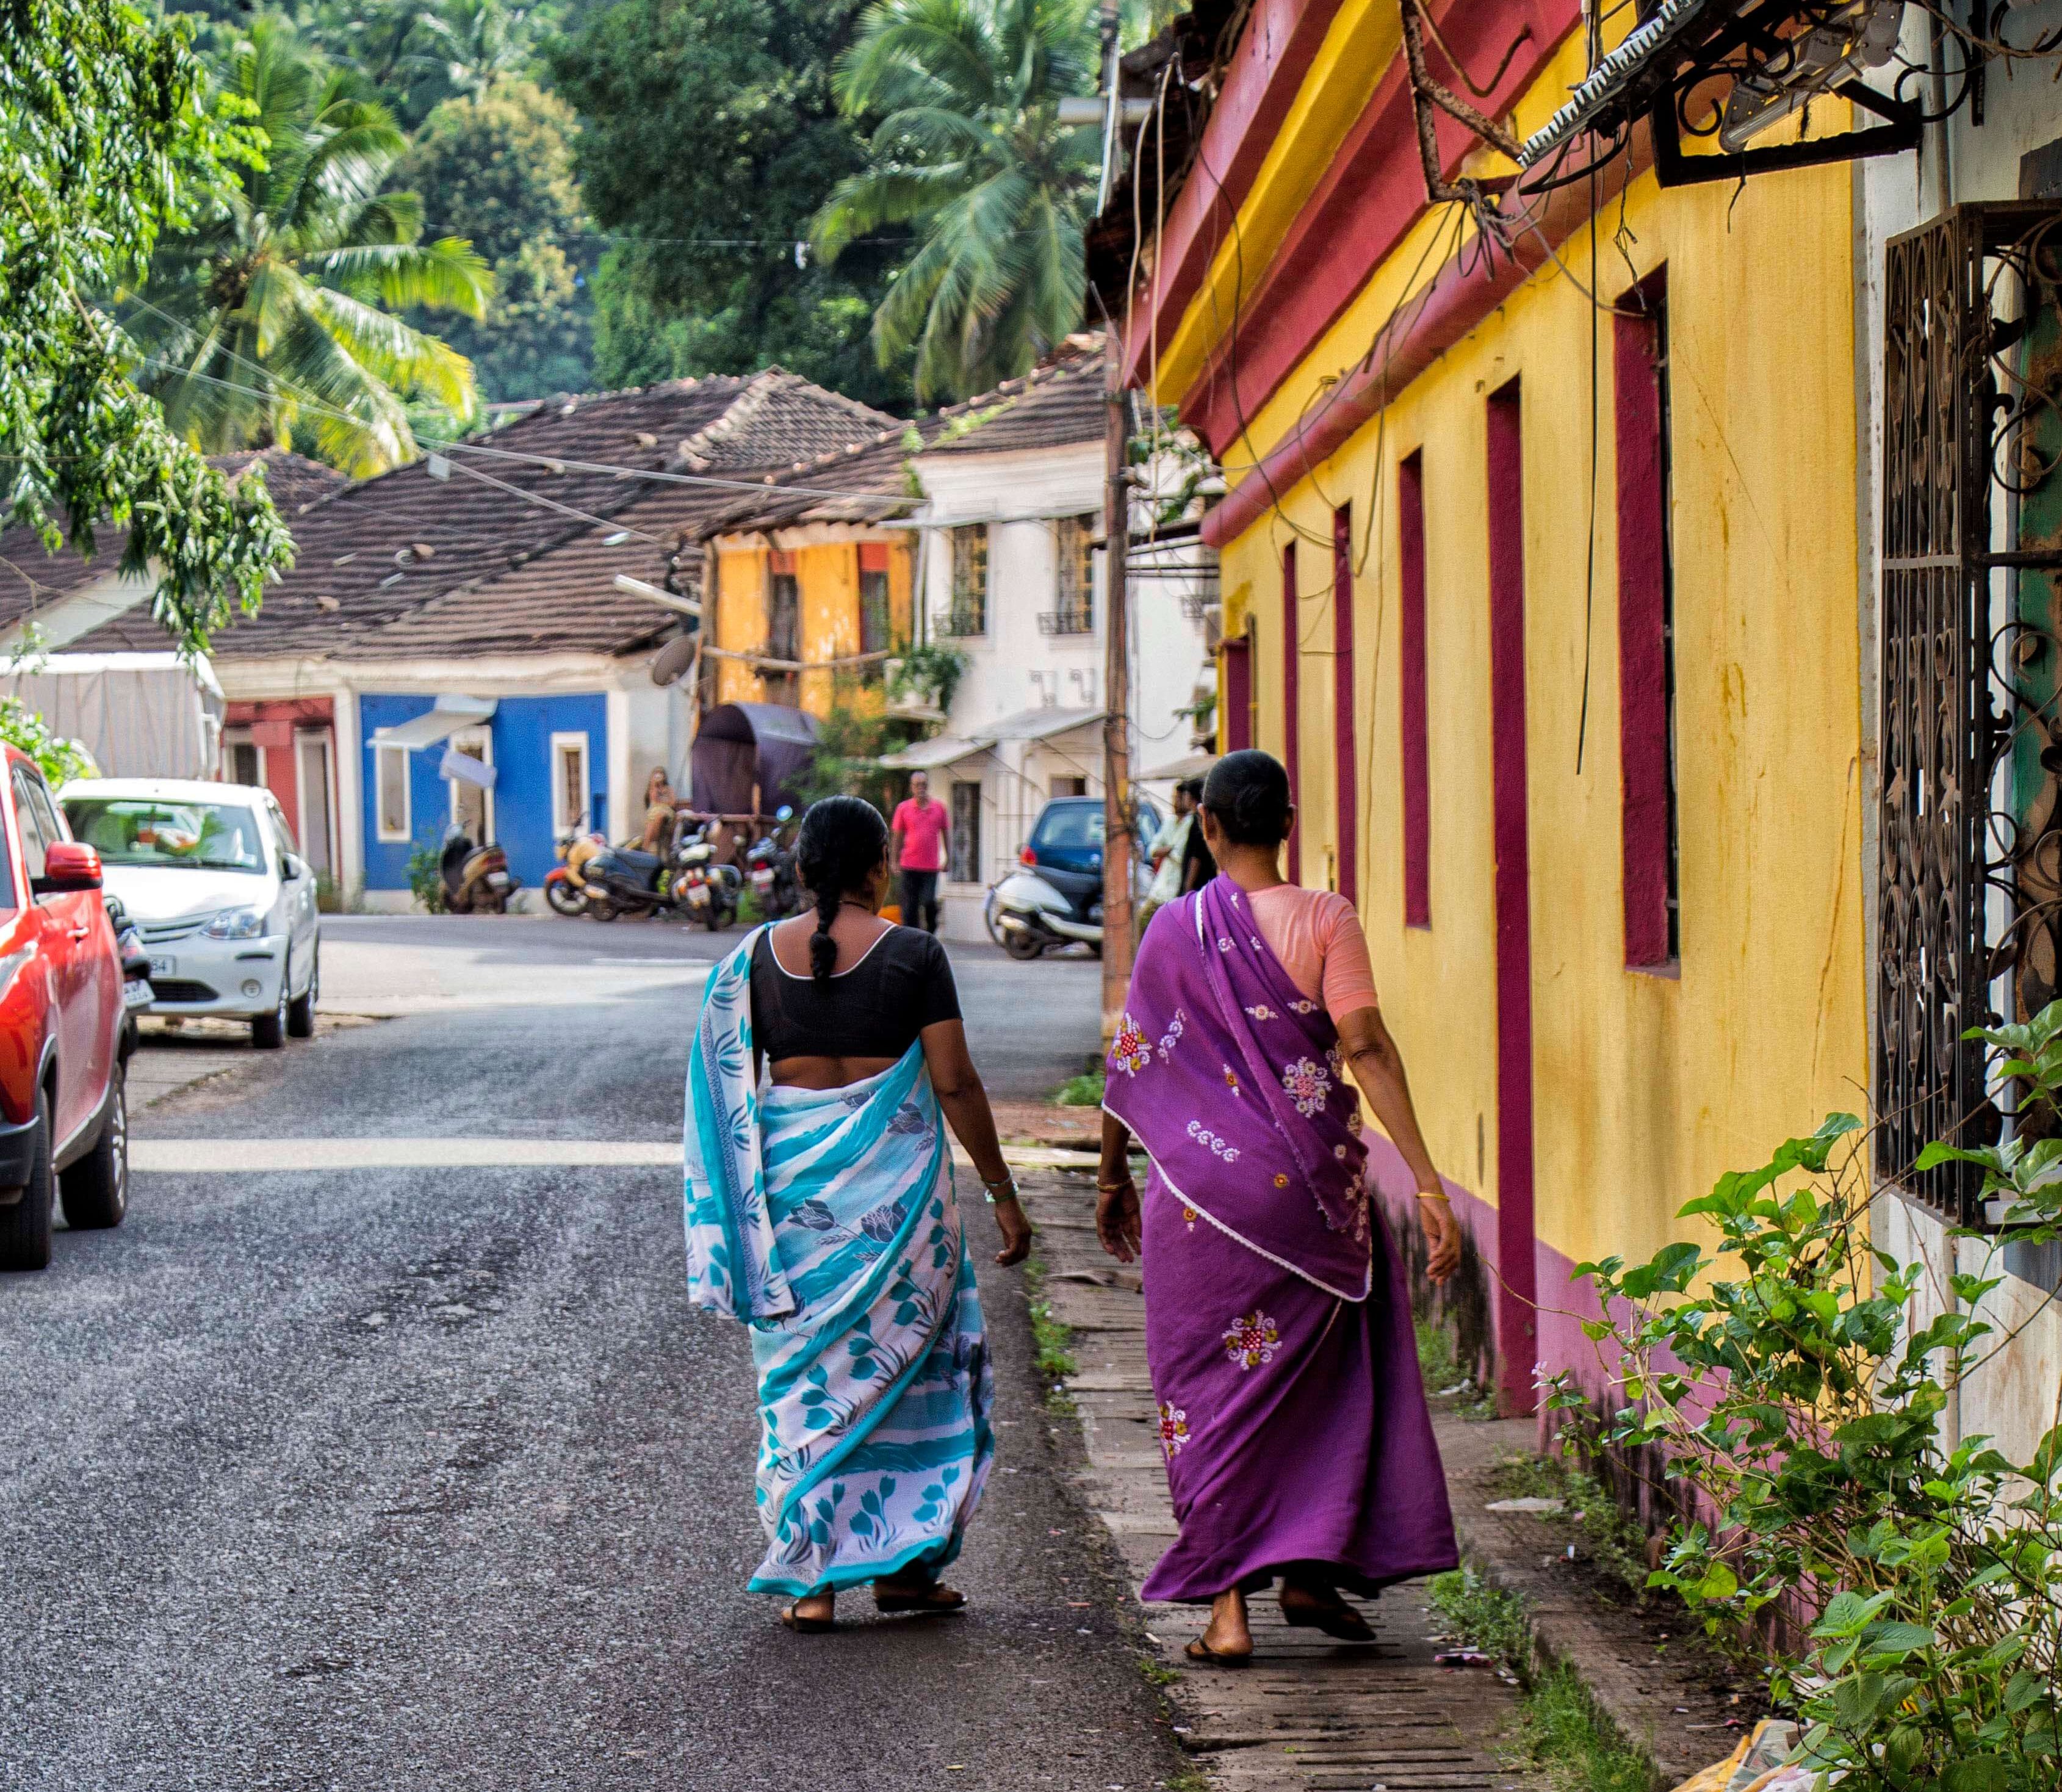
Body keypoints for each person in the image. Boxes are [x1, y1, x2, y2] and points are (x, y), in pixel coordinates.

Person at [1094, 749, 1462, 1664]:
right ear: (1286, 826)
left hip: (1196, 1204)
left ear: (1207, 829)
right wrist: (1423, 1179)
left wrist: (1110, 1179)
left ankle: (1229, 1611)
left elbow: (1131, 1064)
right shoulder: (1327, 918)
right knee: (1320, 1386)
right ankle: (1307, 1568)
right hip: (1309, 1197)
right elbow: (1365, 1047)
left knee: (1209, 1397)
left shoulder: (1173, 930)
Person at [682, 795, 1031, 1635]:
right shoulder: (915, 954)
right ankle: (906, 1569)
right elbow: (953, 1082)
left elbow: (727, 1091)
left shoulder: (753, 963)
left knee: (807, 1386)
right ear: (882, 865)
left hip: (797, 1216)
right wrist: (1001, 1193)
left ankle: (812, 1580)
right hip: (899, 1213)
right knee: (913, 1374)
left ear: (802, 869)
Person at [890, 771, 949, 933]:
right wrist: (894, 861)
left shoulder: (939, 808)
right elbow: (898, 837)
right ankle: (912, 938)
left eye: (923, 785)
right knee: (910, 906)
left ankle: (930, 933)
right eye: (917, 785)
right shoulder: (903, 808)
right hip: (909, 865)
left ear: (927, 786)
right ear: (912, 787)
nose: (921, 788)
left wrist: (948, 858)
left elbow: (945, 833)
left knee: (929, 901)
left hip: (930, 867)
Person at [1139, 781, 1197, 929]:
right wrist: (1169, 849)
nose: (1174, 802)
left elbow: (1181, 856)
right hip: (1159, 890)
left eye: (1178, 798)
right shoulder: (1169, 822)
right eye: (1173, 798)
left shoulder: (1192, 823)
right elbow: (1152, 850)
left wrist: (1167, 850)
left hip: (1177, 891)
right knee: (1143, 923)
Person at [1175, 776, 1216, 894]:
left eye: (1185, 794)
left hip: (1198, 884)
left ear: (1191, 796)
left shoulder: (1198, 820)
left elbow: (1196, 856)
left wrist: (1188, 885)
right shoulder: (1199, 818)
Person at [639, 768, 676, 854]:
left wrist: (664, 801)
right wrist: (655, 785)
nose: (659, 777)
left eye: (660, 775)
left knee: (660, 816)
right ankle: (646, 847)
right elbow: (654, 800)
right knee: (653, 821)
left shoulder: (669, 789)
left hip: (666, 811)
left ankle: (646, 845)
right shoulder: (653, 789)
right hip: (655, 812)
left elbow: (672, 803)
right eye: (656, 775)